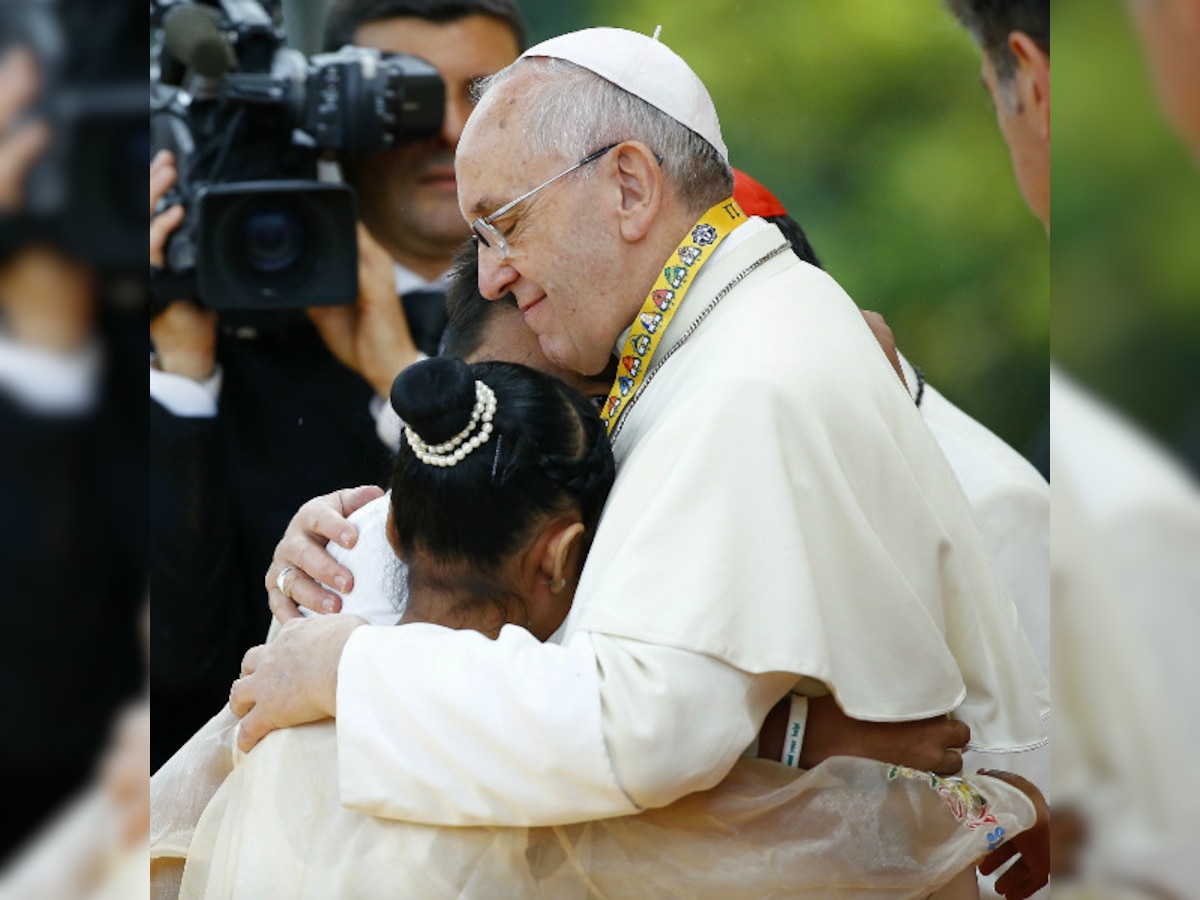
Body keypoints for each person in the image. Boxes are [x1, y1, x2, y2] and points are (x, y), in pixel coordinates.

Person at [234, 26, 1048, 889]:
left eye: (505, 224)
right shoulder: (715, 340)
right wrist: (366, 542)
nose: (495, 275)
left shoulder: (746, 381)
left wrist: (348, 668)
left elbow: (643, 729)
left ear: (628, 185)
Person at [152, 355, 1045, 898]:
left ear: (393, 524)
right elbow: (858, 849)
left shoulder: (285, 695)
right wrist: (1002, 805)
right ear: (559, 556)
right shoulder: (573, 795)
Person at [147, 0, 525, 769]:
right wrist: (180, 371)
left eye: (483, 97)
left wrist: (403, 381)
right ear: (330, 118)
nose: (451, 130)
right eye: (405, 100)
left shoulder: (578, 321)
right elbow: (173, 671)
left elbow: (543, 605)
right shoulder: (229, 329)